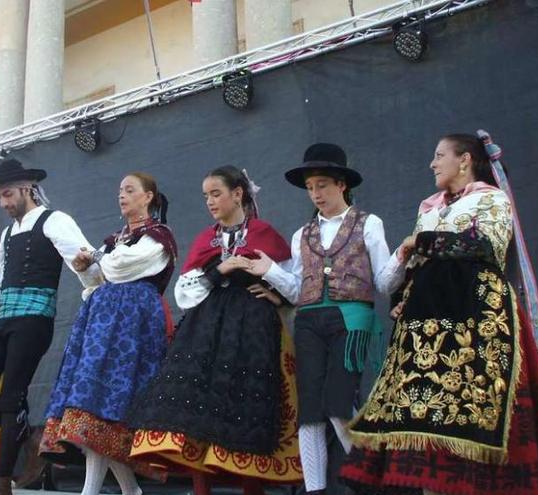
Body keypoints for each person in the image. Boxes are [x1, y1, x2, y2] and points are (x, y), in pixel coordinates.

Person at [340, 134, 538, 494]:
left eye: (439, 156)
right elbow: (419, 264)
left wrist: (422, 243)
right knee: (425, 418)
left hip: (477, 319)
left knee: (473, 412)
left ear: (465, 160)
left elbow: (484, 247)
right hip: (426, 324)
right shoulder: (430, 207)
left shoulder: (490, 199)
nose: (432, 164)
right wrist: (406, 290)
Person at [128, 166, 302, 492]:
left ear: (238, 194)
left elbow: (295, 286)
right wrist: (222, 268)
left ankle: (252, 489)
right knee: (194, 411)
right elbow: (184, 294)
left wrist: (275, 294)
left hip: (253, 331)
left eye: (216, 193)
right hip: (205, 333)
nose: (209, 201)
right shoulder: (206, 239)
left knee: (248, 409)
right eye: (206, 195)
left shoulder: (264, 234)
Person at [251, 143, 395, 494]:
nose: (315, 193)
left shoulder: (368, 223)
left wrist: (403, 255)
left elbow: (384, 281)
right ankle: (315, 489)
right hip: (310, 321)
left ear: (341, 184)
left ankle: (369, 481)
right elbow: (299, 289)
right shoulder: (304, 234)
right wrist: (268, 270)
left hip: (351, 318)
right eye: (311, 187)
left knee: (338, 404)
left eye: (323, 185)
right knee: (310, 411)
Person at [0, 158, 103, 495]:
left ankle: (2, 481)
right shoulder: (8, 232)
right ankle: (23, 430)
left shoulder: (55, 220)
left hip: (35, 318)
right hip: (5, 318)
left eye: (8, 194)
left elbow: (83, 260)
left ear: (27, 188)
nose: (5, 202)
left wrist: (88, 270)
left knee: (12, 395)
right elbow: (0, 282)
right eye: (0, 197)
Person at [40, 173, 177, 495]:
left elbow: (120, 267)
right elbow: (96, 281)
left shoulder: (158, 236)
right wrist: (84, 266)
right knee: (91, 402)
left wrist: (97, 258)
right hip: (101, 321)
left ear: (148, 197)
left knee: (109, 403)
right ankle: (129, 491)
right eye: (120, 191)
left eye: (130, 190)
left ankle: (98, 491)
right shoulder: (114, 239)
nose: (122, 196)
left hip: (133, 323)